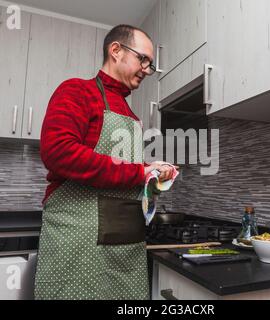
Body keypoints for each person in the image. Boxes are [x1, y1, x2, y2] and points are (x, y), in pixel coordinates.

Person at [34, 24, 177, 300]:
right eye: (143, 59)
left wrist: (152, 178)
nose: (147, 70)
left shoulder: (131, 114)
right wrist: (139, 172)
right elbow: (58, 151)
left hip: (126, 244)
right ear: (116, 51)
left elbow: (125, 176)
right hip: (79, 243)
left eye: (150, 64)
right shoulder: (77, 91)